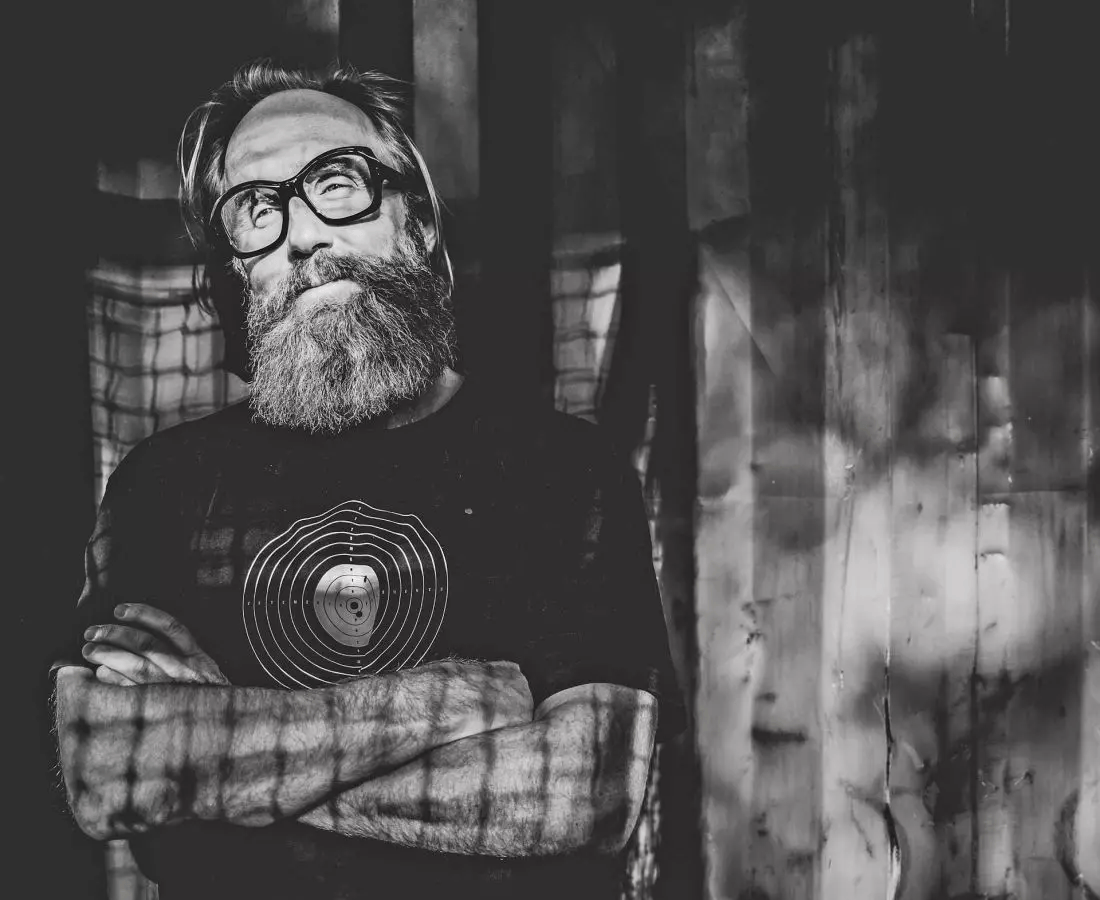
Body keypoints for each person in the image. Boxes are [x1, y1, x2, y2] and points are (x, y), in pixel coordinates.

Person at [52, 60, 684, 900]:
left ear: (414, 221)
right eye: (257, 210)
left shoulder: (564, 470)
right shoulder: (161, 486)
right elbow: (109, 771)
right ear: (236, 270)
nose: (303, 234)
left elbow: (586, 791)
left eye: (336, 184)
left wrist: (215, 760)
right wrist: (445, 703)